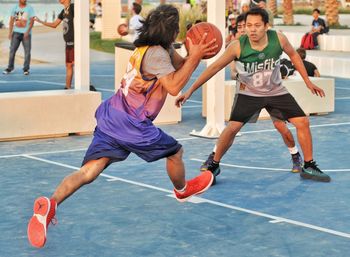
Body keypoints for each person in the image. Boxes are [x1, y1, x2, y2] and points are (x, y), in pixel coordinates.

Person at [27, 4, 217, 248]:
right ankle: (182, 189)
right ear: (170, 31)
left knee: (89, 171)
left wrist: (193, 52)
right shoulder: (156, 54)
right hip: (132, 122)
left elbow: (180, 66)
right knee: (175, 152)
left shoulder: (156, 47)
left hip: (112, 114)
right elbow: (173, 86)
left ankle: (49, 205)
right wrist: (197, 56)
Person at [176, 8, 331, 185]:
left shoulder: (278, 39)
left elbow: (295, 56)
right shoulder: (237, 46)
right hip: (249, 94)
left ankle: (308, 164)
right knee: (232, 128)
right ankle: (214, 164)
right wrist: (190, 90)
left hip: (276, 91)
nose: (252, 29)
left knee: (302, 122)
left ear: (266, 26)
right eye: (249, 25)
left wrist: (307, 82)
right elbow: (214, 68)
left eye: (257, 25)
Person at [34, 0, 74, 89]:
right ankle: (67, 87)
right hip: (68, 43)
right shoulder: (63, 11)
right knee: (68, 65)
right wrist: (40, 21)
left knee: (74, 64)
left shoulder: (73, 8)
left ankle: (87, 84)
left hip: (74, 43)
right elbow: (54, 24)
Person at [3, 0, 35, 75]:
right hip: (16, 33)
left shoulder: (30, 8)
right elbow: (11, 21)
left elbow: (32, 21)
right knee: (12, 51)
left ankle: (26, 69)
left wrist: (27, 31)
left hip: (26, 34)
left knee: (27, 52)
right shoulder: (15, 8)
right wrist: (10, 32)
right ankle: (10, 68)